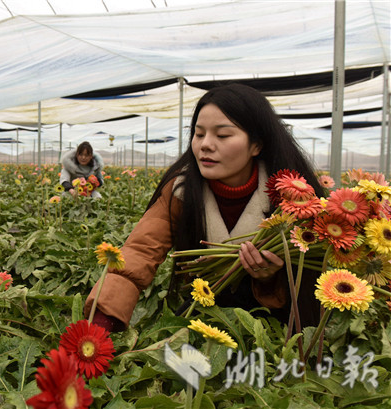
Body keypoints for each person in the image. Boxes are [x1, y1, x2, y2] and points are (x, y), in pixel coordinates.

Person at [84, 83, 324, 332]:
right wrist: (99, 326)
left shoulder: (293, 198)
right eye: (199, 134)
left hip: (276, 321)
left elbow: (312, 275)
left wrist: (271, 278)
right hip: (204, 307)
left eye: (223, 135)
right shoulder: (181, 190)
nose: (205, 145)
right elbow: (140, 251)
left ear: (256, 145)